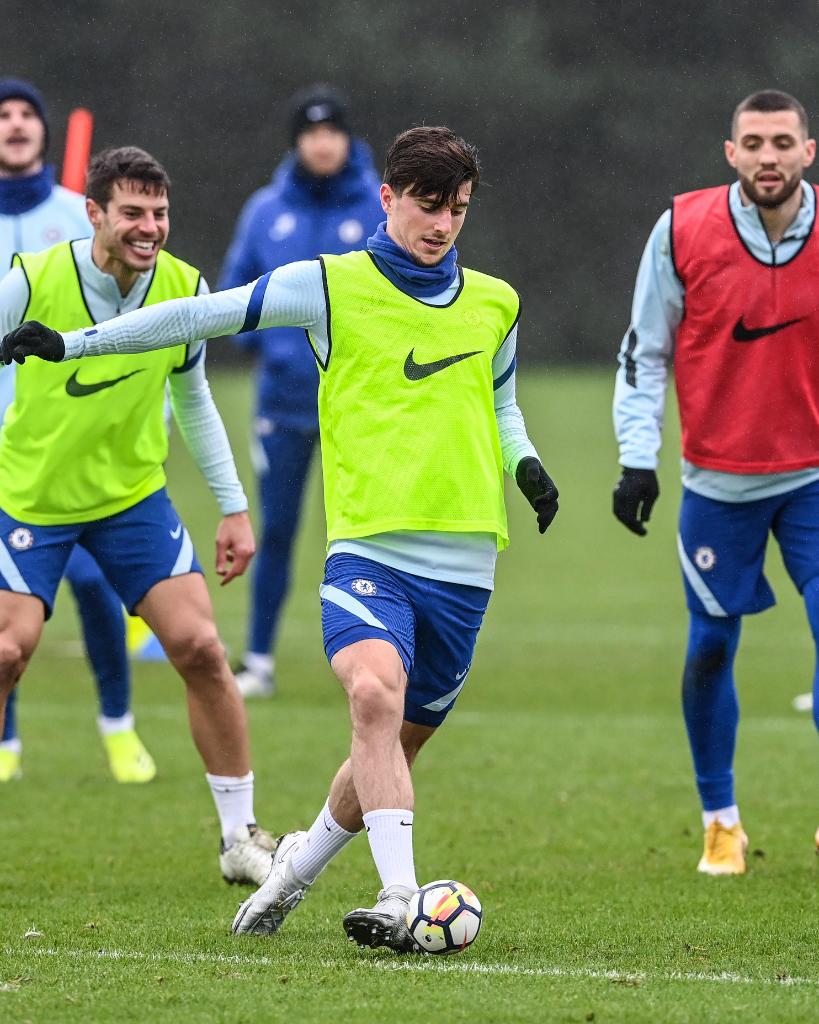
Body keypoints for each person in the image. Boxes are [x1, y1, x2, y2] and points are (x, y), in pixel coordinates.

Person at [2, 126, 559, 951]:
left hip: (467, 559)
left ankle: (292, 866)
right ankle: (401, 895)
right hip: (368, 548)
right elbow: (200, 315)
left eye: (458, 210)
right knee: (372, 697)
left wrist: (528, 465)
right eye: (428, 206)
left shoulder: (496, 301)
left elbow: (502, 402)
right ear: (389, 198)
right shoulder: (328, 285)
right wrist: (72, 343)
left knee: (388, 748)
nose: (442, 225)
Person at [0, 145, 274, 885]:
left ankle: (239, 839)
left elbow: (194, 399)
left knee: (201, 649)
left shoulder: (184, 287)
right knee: (7, 650)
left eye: (159, 213)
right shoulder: (31, 281)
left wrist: (233, 507)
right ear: (94, 213)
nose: (148, 228)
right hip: (29, 498)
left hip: (131, 500)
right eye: (132, 213)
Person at [612, 89, 819, 876]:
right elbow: (645, 350)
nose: (768, 156)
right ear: (729, 153)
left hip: (811, 479)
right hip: (716, 482)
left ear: (808, 151)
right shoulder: (681, 228)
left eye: (782, 142)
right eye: (753, 143)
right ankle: (719, 820)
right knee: (709, 650)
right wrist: (637, 458)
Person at [0, 77, 156, 784]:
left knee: (95, 586)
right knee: (8, 614)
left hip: (69, 434)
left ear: (45, 129)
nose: (15, 124)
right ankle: (5, 743)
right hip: (7, 446)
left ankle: (118, 725)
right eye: (3, 115)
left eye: (27, 113)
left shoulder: (78, 213)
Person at [219, 85, 383, 698]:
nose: (323, 142)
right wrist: (281, 352)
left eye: (333, 131)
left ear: (347, 139)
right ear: (296, 141)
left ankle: (382, 658)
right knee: (279, 529)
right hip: (284, 407)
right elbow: (236, 292)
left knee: (370, 533)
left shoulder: (377, 205)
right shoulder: (266, 209)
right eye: (312, 132)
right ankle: (257, 660)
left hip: (361, 406)